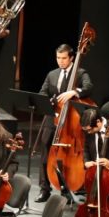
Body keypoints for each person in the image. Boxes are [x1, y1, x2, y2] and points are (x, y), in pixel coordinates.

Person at [36, 44, 94, 202]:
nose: (60, 61)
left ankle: (67, 189)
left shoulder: (80, 73)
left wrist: (74, 92)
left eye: (64, 58)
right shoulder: (52, 74)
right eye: (58, 58)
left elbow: (89, 87)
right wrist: (48, 100)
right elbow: (43, 92)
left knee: (68, 155)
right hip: (53, 117)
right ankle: (44, 189)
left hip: (70, 120)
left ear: (71, 58)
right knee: (45, 151)